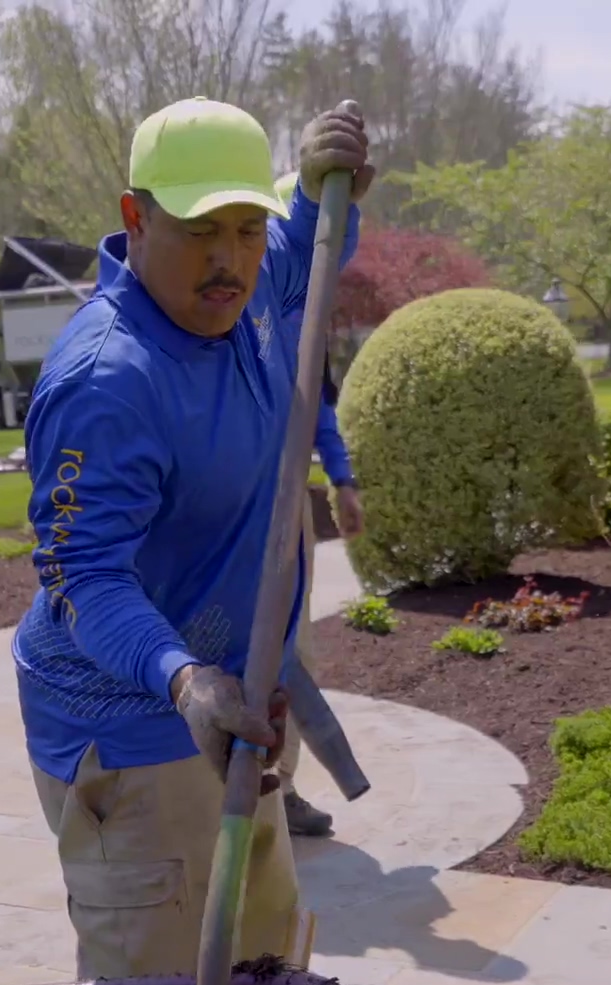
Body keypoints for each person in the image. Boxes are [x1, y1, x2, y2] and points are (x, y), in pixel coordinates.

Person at [14, 96, 373, 981]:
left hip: (234, 714)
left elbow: (312, 241)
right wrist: (184, 681)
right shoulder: (107, 383)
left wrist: (336, 180)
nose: (230, 260)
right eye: (201, 229)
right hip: (133, 732)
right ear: (135, 218)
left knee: (261, 975)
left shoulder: (247, 290)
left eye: (247, 229)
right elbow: (83, 576)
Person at [269, 171, 365, 838]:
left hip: (284, 507)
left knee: (289, 648)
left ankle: (281, 787)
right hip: (223, 502)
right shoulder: (241, 305)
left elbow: (315, 403)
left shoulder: (301, 311)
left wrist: (341, 477)